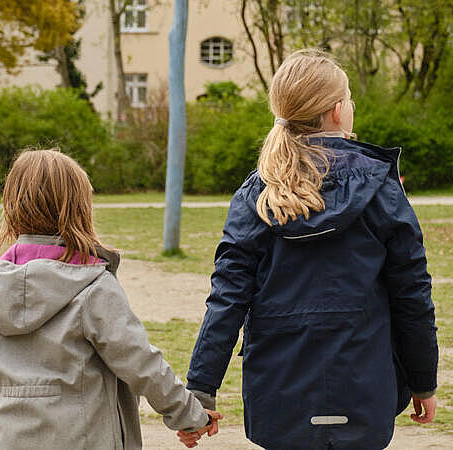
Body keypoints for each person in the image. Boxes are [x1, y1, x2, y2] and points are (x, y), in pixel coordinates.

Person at [181, 49, 438, 450]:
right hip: (364, 388)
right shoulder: (382, 191)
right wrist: (423, 380)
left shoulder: (257, 195)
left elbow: (226, 298)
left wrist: (201, 388)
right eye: (349, 98)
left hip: (279, 393)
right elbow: (413, 296)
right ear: (338, 111)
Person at [0, 149, 221, 450]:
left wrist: (10, 410)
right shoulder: (92, 286)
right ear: (80, 208)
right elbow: (140, 363)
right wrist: (189, 414)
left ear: (12, 205)